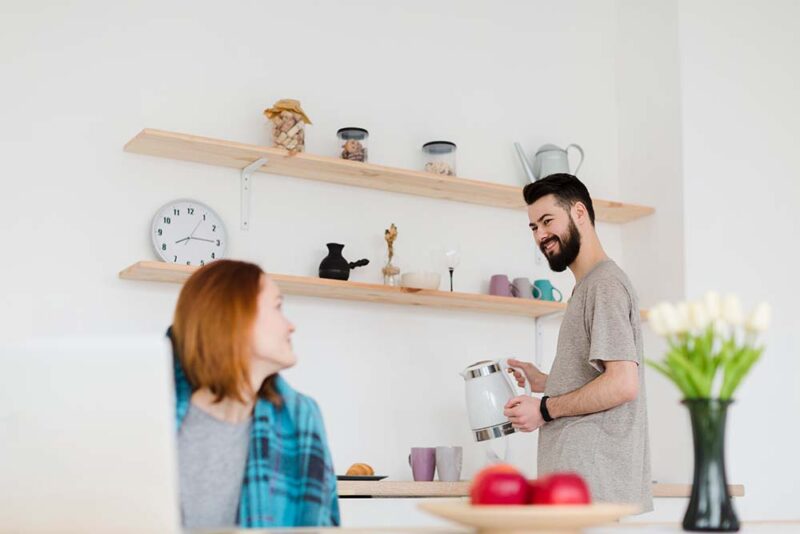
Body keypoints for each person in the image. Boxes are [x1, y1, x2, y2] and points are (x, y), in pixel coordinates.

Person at [504, 173, 653, 513]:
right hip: (578, 488)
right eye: (533, 227)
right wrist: (546, 380)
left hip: (590, 488)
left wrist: (543, 408)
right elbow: (600, 375)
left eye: (547, 221)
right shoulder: (587, 287)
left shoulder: (604, 285)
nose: (540, 235)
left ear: (580, 214)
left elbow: (622, 383)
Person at [167, 259, 340, 528]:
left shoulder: (302, 418)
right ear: (235, 314)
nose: (290, 325)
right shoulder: (153, 411)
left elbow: (326, 524)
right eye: (278, 307)